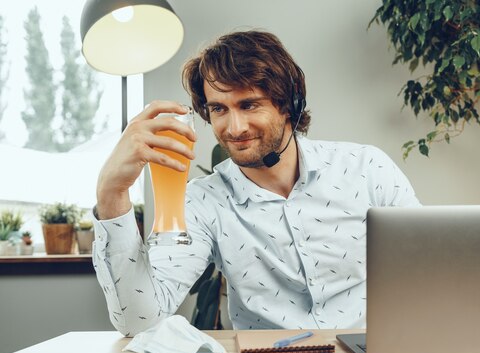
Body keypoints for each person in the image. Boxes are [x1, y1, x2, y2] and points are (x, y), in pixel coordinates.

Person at [92, 30, 419, 337]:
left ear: (288, 103)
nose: (234, 128)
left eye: (249, 104)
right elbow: (139, 322)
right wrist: (112, 195)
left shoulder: (367, 168)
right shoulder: (202, 203)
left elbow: (426, 271)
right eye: (219, 108)